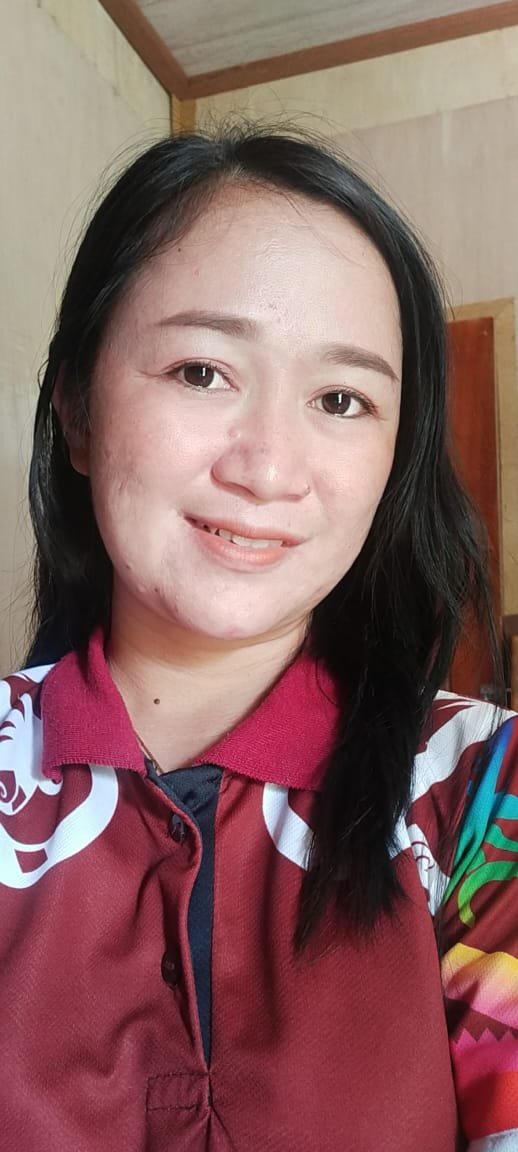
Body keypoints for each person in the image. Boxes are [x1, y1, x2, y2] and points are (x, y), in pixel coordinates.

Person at [0, 126, 517, 1152]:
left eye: (341, 399)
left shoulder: (480, 792)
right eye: (201, 371)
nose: (268, 467)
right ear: (76, 408)